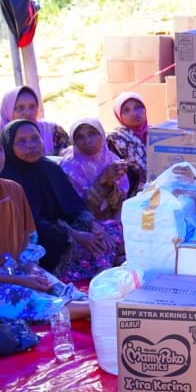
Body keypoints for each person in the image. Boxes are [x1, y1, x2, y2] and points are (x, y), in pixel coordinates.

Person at [0, 120, 123, 283]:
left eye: (35, 138)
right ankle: (104, 262)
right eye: (21, 141)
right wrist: (74, 235)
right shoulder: (9, 180)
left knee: (114, 230)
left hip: (67, 228)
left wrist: (94, 225)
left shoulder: (50, 168)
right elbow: (31, 225)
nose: (30, 145)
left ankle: (107, 258)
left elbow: (74, 205)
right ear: (9, 146)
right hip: (44, 243)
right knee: (90, 248)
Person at [0, 149, 86, 322]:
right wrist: (20, 280)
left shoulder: (13, 189)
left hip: (19, 270)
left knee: (68, 293)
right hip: (8, 279)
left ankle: (95, 308)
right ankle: (102, 309)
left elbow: (29, 238)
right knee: (31, 301)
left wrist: (31, 267)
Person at [60, 118, 130, 220]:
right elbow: (76, 211)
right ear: (73, 142)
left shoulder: (113, 161)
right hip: (82, 228)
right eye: (80, 137)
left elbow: (120, 205)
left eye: (92, 134)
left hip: (114, 222)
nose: (87, 141)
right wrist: (102, 180)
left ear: (101, 135)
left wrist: (110, 184)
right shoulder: (67, 168)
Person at [0, 85, 69, 156]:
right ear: (7, 111)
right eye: (20, 108)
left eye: (32, 107)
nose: (28, 113)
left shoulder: (53, 130)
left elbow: (68, 158)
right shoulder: (1, 136)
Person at [105, 91, 148, 193]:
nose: (134, 113)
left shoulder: (156, 133)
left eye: (138, 107)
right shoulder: (115, 139)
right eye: (126, 110)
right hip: (133, 195)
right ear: (119, 115)